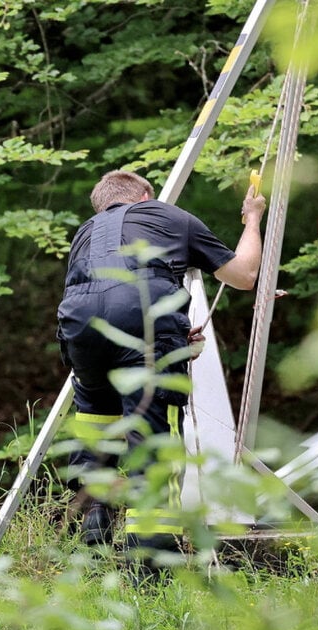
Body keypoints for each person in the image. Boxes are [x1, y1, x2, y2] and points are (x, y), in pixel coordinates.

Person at [56, 170, 265, 570]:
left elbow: (104, 297)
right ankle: (149, 569)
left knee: (96, 421)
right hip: (142, 321)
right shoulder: (168, 215)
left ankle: (93, 527)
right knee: (154, 443)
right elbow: (243, 276)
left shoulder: (85, 232)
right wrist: (253, 217)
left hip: (80, 326)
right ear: (146, 195)